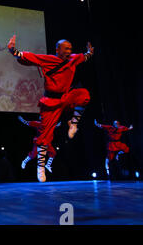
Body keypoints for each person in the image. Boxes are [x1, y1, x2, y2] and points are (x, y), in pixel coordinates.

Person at [7, 35, 94, 182]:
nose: (69, 51)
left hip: (65, 97)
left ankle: (73, 123)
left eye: (70, 49)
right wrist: (14, 50)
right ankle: (40, 167)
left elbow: (83, 57)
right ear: (57, 50)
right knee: (44, 137)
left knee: (84, 95)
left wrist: (90, 52)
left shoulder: (73, 58)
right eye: (66, 48)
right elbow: (28, 56)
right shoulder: (49, 59)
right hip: (51, 102)